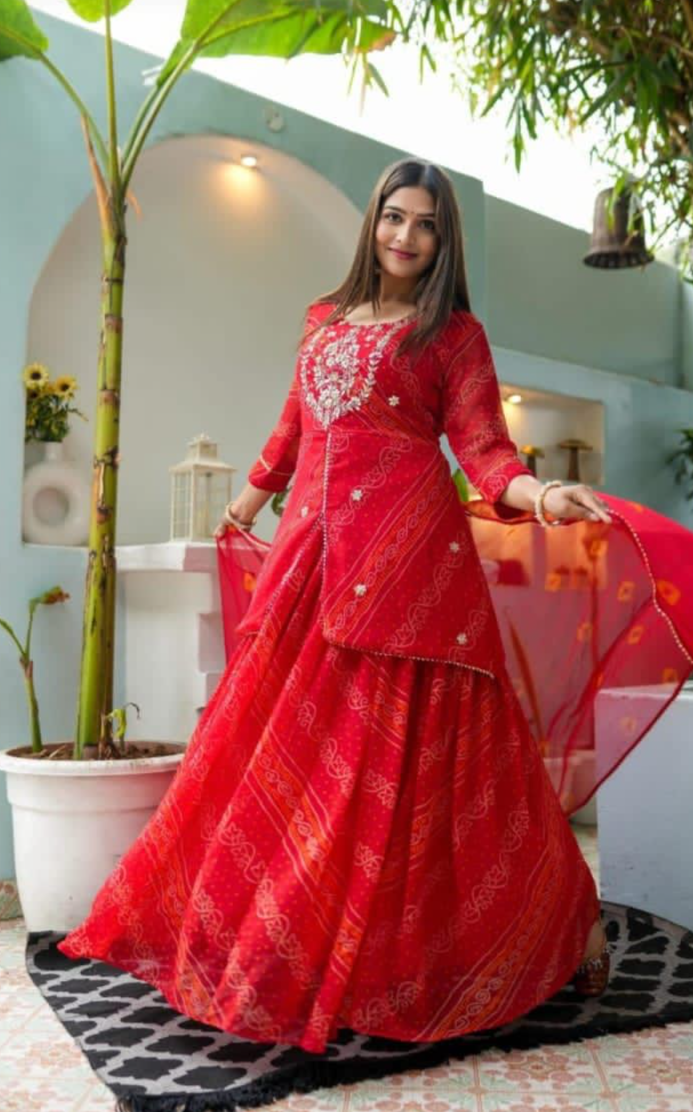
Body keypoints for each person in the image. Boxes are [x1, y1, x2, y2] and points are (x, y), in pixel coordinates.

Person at [60, 156, 687, 1055]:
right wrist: (242, 505)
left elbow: (482, 450)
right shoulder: (321, 319)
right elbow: (291, 427)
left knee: (430, 771)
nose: (405, 236)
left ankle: (531, 936)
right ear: (373, 220)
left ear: (442, 240)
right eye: (395, 217)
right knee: (285, 755)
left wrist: (541, 498)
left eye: (425, 224)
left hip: (412, 568)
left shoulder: (453, 336)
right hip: (312, 561)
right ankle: (286, 946)